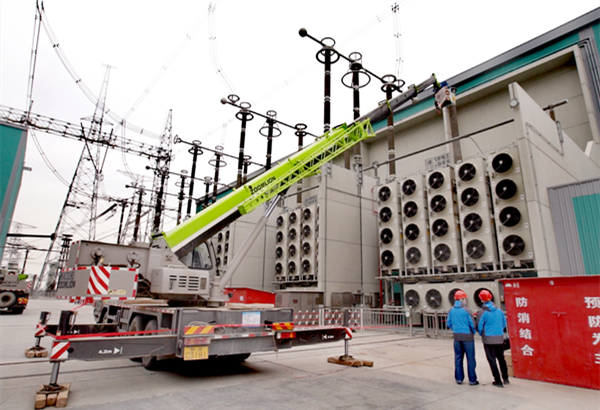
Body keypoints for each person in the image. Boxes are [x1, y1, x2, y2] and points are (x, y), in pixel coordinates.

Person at [477, 289, 509, 388]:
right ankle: (506, 378)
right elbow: (504, 323)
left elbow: (479, 326)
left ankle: (498, 380)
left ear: (481, 299)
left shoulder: (482, 312)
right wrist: (499, 332)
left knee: (492, 360)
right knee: (501, 359)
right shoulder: (499, 310)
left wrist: (482, 334)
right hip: (499, 338)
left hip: (488, 339)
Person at [447, 290, 478, 386]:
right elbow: (472, 324)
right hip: (468, 337)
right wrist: (473, 332)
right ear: (462, 299)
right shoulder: (467, 310)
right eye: (465, 299)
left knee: (458, 358)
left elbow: (448, 323)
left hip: (456, 337)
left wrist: (455, 330)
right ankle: (472, 380)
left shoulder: (451, 310)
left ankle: (459, 378)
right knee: (470, 359)